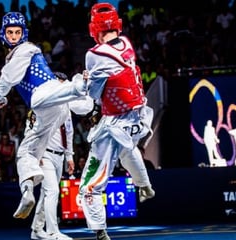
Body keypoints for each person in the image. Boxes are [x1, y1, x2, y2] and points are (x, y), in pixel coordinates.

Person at [0, 12, 88, 219]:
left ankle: (79, 85)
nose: (14, 36)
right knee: (25, 152)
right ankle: (26, 191)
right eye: (10, 32)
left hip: (44, 94)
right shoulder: (15, 55)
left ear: (23, 33)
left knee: (61, 94)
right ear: (4, 34)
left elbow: (8, 77)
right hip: (47, 112)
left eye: (17, 32)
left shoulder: (26, 49)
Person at [78, 3, 155, 240]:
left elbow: (91, 95)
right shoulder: (127, 44)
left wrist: (83, 81)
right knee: (127, 150)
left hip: (116, 123)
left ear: (94, 28)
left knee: (89, 185)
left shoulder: (94, 54)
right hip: (138, 117)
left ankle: (100, 232)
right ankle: (144, 185)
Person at [30, 72, 93, 240]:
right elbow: (30, 130)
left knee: (47, 193)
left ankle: (36, 230)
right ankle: (52, 231)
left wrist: (69, 156)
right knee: (52, 191)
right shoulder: (42, 104)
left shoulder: (66, 106)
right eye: (60, 84)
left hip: (59, 156)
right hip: (45, 155)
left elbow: (69, 132)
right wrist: (37, 153)